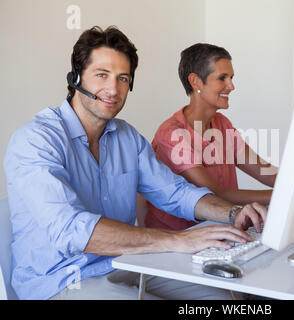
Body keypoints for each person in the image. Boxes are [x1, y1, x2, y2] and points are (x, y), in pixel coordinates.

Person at [3, 26, 267, 300]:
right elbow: (71, 230)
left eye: (123, 79)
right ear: (76, 77)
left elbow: (175, 192)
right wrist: (177, 240)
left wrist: (234, 213)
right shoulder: (35, 140)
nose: (114, 89)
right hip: (65, 279)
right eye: (102, 75)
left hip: (126, 262)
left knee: (224, 298)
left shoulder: (127, 137)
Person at [138, 43, 277, 230]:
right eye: (222, 78)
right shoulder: (172, 133)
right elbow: (213, 193)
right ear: (195, 81)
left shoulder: (222, 124)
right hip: (177, 235)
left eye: (231, 78)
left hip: (219, 227)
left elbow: (263, 169)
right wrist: (278, 195)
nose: (231, 86)